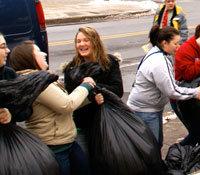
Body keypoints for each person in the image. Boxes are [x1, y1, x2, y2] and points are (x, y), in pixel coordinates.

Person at [9, 40, 104, 175]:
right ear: (28, 58)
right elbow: (66, 105)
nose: (43, 54)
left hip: (66, 142)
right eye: (38, 52)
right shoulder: (37, 83)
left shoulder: (41, 79)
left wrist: (88, 100)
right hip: (54, 147)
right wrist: (86, 86)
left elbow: (61, 105)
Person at [127, 24, 200, 149]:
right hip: (145, 110)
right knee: (151, 147)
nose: (178, 47)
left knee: (155, 144)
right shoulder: (159, 62)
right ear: (164, 43)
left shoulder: (159, 54)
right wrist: (195, 93)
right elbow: (172, 91)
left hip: (149, 108)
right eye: (175, 43)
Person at [63, 26, 124, 155]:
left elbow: (118, 90)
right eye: (78, 41)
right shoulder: (72, 68)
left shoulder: (109, 63)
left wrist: (96, 87)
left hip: (106, 123)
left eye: (86, 40)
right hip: (81, 125)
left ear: (95, 42)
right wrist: (90, 95)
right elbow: (69, 97)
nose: (82, 44)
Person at [0, 32, 32, 123]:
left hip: (8, 135)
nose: (8, 50)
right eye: (2, 47)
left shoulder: (9, 74)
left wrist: (10, 114)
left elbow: (27, 109)